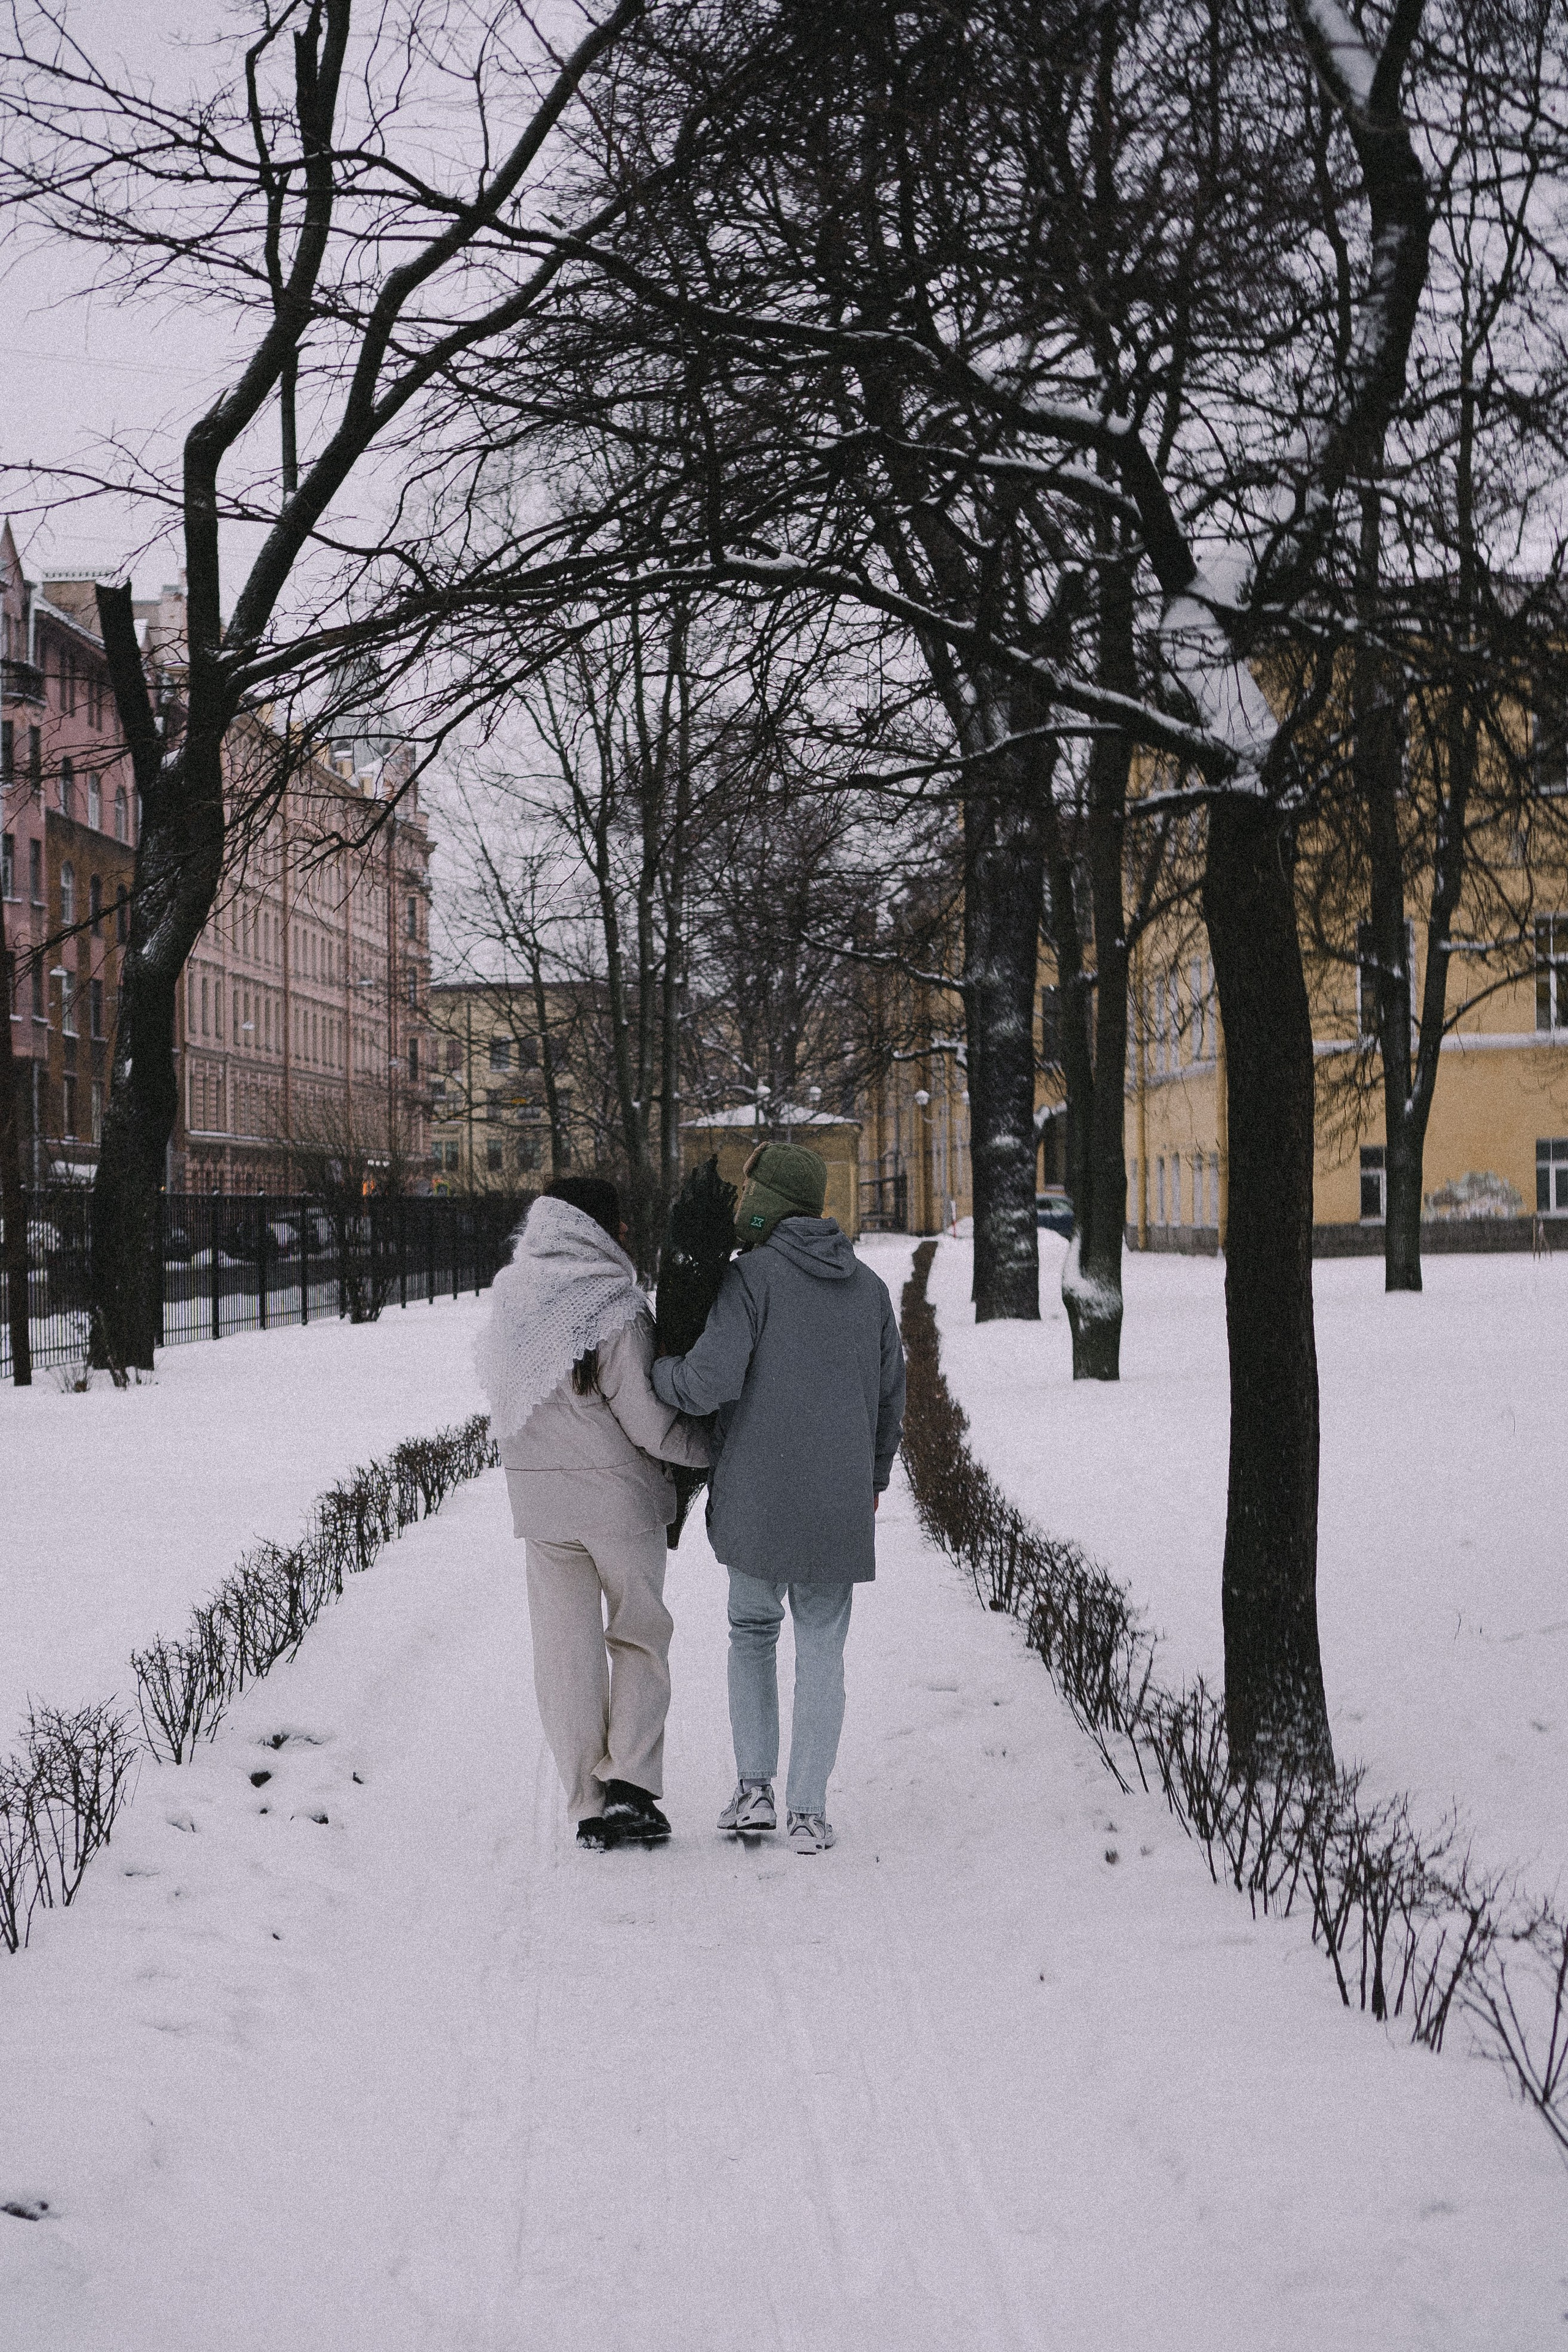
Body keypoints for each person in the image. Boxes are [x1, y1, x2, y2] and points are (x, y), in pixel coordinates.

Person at [651, 1142, 905, 1855]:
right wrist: (874, 1480)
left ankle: (754, 1792)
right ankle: (809, 1811)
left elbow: (708, 1382)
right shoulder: (870, 1290)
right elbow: (892, 1402)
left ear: (772, 1200)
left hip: (757, 1503)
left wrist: (658, 1373)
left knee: (753, 1635)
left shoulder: (751, 1280)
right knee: (822, 1650)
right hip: (837, 1506)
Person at [475, 1177, 714, 1850]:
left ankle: (585, 1801)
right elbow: (647, 1421)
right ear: (602, 1229)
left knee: (563, 1655)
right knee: (638, 1634)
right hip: (619, 1505)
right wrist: (706, 1451)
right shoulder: (613, 1303)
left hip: (543, 1510)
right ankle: (632, 1788)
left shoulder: (509, 1298)